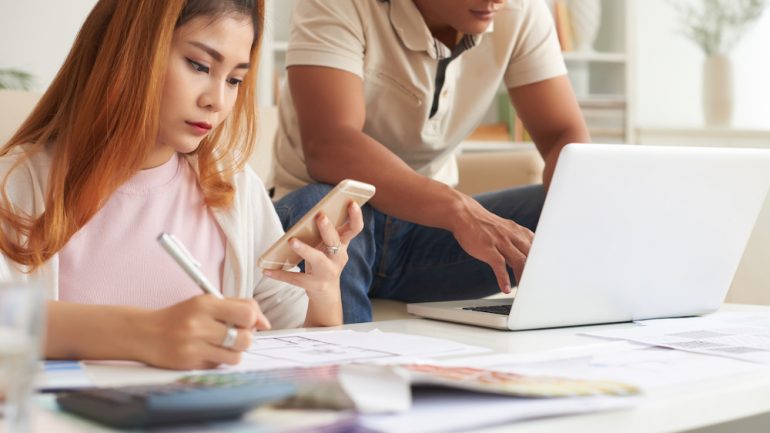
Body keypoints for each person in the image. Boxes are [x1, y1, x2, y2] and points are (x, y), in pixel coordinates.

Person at [0, 0, 363, 370]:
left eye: (235, 80)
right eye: (199, 66)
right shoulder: (16, 185)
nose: (217, 101)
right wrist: (148, 334)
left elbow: (292, 350)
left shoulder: (234, 190)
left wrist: (324, 298)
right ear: (129, 51)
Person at [271, 0, 591, 323]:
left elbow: (561, 135)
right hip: (339, 216)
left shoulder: (520, 12)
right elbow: (329, 145)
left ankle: (594, 363)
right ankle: (346, 367)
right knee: (324, 214)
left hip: (426, 235)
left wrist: (584, 215)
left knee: (567, 207)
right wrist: (458, 210)